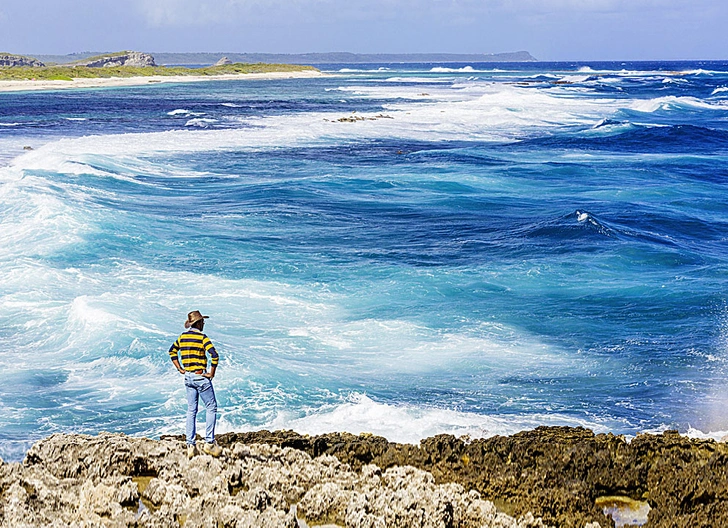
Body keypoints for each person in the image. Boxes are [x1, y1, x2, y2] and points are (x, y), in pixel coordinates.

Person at [169, 310, 222, 458]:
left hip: (188, 377)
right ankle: (209, 443)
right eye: (202, 322)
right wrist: (212, 373)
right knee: (211, 407)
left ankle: (190, 445)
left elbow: (172, 352)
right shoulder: (202, 338)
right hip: (200, 376)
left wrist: (180, 368)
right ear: (198, 323)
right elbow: (214, 355)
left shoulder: (182, 337)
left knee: (192, 410)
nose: (203, 324)